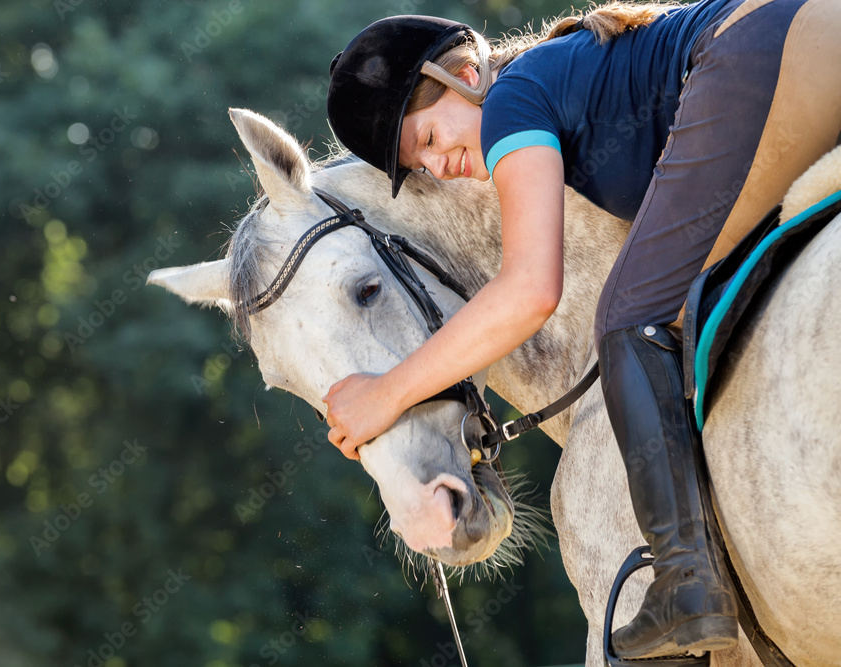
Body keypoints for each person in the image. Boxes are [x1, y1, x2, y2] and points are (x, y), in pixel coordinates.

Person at [320, 0, 841, 660]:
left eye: (425, 140)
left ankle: (686, 581)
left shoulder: (510, 102)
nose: (438, 167)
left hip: (769, 48)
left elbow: (530, 289)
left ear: (462, 73)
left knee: (624, 315)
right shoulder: (554, 82)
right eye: (418, 168)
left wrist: (389, 393)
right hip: (806, 32)